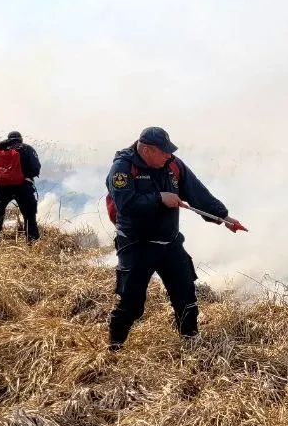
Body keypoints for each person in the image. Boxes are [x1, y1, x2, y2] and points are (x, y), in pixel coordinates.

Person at [105, 126, 246, 351]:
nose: (169, 156)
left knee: (186, 295)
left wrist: (224, 216)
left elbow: (196, 192)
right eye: (164, 151)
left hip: (169, 242)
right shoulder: (122, 168)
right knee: (131, 304)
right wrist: (159, 198)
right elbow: (126, 204)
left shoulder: (172, 165)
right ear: (148, 150)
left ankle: (190, 344)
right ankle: (114, 348)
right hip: (136, 244)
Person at [0, 131, 41, 244]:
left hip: (3, 188)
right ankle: (32, 245)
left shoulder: (2, 150)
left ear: (8, 139)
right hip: (24, 187)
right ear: (20, 139)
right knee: (29, 217)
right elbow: (36, 168)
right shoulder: (28, 149)